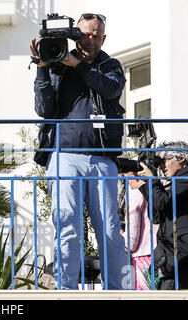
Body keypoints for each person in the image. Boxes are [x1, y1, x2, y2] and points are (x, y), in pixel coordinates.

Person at [30, 13, 127, 289]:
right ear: (76, 34)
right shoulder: (58, 62)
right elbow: (43, 109)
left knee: (110, 231)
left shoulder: (111, 66)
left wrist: (78, 65)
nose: (91, 40)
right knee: (67, 228)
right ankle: (66, 290)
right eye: (86, 34)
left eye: (97, 35)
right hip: (64, 157)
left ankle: (116, 292)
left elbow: (111, 89)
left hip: (102, 158)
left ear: (104, 38)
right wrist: (42, 67)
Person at [131, 141, 188, 290]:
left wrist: (152, 181)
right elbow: (156, 215)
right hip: (172, 255)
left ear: (181, 158)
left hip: (182, 254)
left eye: (164, 161)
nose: (161, 167)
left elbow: (161, 202)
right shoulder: (175, 183)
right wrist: (144, 186)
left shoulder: (185, 179)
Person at [125, 172, 159, 290]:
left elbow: (131, 240)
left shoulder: (136, 193)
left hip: (142, 258)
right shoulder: (159, 191)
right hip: (162, 254)